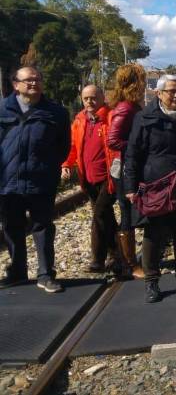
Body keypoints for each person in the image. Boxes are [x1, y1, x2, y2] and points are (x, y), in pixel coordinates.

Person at [124, 75, 176, 303]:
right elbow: (132, 154)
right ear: (159, 94)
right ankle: (151, 281)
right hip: (154, 184)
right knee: (153, 234)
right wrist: (130, 186)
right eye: (171, 91)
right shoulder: (144, 117)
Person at [0, 66, 70, 291]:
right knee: (12, 227)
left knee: (43, 228)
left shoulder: (56, 113)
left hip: (41, 181)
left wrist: (47, 168)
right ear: (15, 85)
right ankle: (18, 271)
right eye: (28, 80)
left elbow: (63, 147)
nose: (33, 83)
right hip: (8, 181)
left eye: (37, 79)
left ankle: (46, 274)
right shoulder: (3, 110)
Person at [62, 85, 117, 274]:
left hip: (109, 178)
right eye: (86, 99)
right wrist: (66, 165)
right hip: (88, 178)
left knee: (99, 215)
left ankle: (98, 260)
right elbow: (73, 146)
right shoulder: (79, 120)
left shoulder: (111, 117)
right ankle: (116, 255)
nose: (89, 102)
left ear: (102, 97)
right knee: (106, 217)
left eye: (93, 97)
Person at [107, 63, 147, 279]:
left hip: (127, 166)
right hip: (125, 168)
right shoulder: (125, 108)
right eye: (142, 80)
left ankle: (129, 261)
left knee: (127, 212)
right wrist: (138, 145)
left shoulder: (129, 106)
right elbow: (113, 140)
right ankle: (130, 264)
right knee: (126, 213)